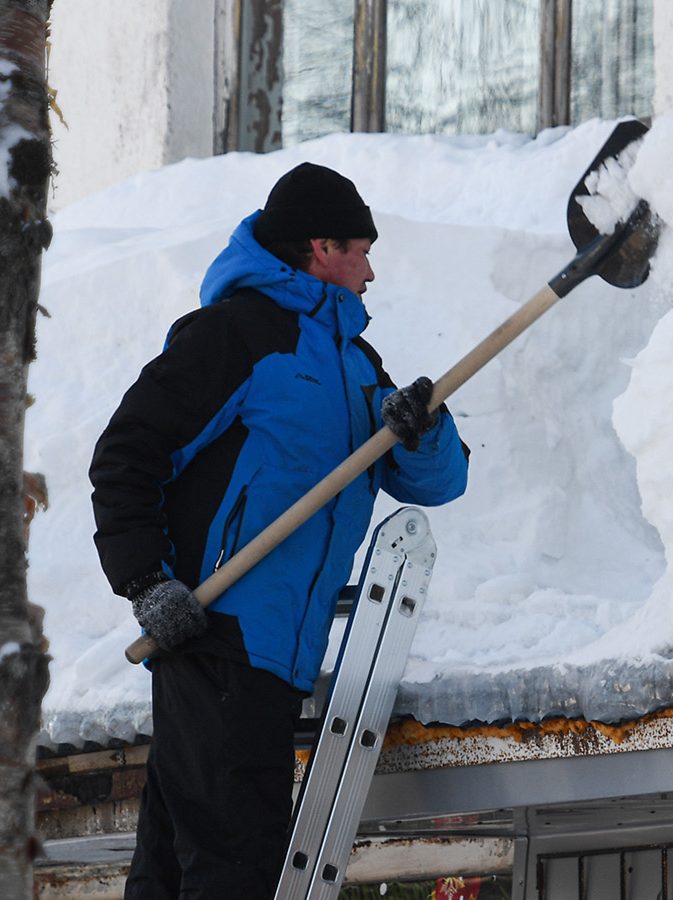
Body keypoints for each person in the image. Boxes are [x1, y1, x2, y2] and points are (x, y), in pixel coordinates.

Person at [89, 162, 469, 899]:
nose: (370, 269)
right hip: (218, 637)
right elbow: (127, 454)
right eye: (359, 249)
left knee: (174, 871)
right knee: (234, 867)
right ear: (318, 248)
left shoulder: (356, 367)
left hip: (277, 661)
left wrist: (421, 430)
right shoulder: (237, 337)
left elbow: (437, 484)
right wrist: (146, 582)